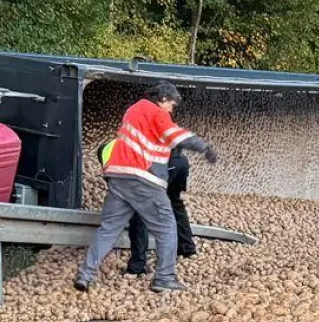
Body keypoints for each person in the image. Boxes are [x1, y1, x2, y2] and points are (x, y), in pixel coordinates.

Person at [75, 82, 217, 293]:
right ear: (161, 99)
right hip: (143, 178)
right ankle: (164, 278)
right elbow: (176, 135)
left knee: (108, 229)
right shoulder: (157, 113)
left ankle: (85, 275)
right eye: (171, 104)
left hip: (118, 176)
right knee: (167, 227)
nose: (172, 109)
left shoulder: (133, 110)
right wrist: (204, 147)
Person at [98, 139, 197, 275]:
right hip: (180, 162)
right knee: (175, 203)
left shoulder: (113, 158)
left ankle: (137, 267)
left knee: (139, 215)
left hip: (164, 164)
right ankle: (187, 249)